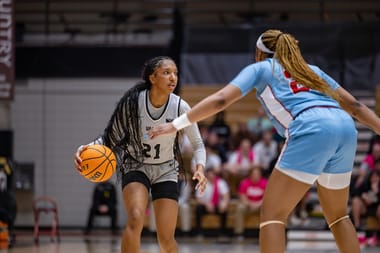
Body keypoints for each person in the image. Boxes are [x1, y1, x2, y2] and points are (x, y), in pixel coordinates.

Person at [148, 29, 380, 253]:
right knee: (339, 215)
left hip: (312, 127)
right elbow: (356, 107)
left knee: (272, 215)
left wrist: (176, 124)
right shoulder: (313, 70)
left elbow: (220, 100)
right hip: (345, 128)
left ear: (260, 53)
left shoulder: (262, 68)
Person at [74, 56, 207, 253]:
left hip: (166, 170)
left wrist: (200, 169)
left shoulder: (180, 107)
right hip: (136, 165)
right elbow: (110, 138)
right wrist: (87, 148)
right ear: (152, 78)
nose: (173, 78)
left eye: (175, 73)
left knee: (166, 238)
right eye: (166, 73)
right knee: (136, 217)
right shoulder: (132, 104)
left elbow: (198, 144)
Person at [194, 167, 230, 239]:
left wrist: (224, 203)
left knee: (224, 209)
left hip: (217, 205)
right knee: (198, 208)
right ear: (206, 175)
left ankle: (222, 233)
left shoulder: (221, 183)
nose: (211, 176)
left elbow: (226, 196)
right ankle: (199, 233)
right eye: (209, 175)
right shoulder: (201, 183)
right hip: (205, 205)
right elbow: (198, 199)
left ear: (215, 175)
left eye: (212, 175)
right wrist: (206, 204)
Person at [234, 166, 267, 237]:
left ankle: (266, 232)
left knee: (268, 208)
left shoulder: (265, 183)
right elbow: (242, 197)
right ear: (250, 175)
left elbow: (266, 198)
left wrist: (258, 204)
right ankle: (239, 233)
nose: (256, 176)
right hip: (248, 205)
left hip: (260, 206)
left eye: (258, 174)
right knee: (240, 207)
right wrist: (250, 204)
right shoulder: (244, 183)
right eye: (254, 174)